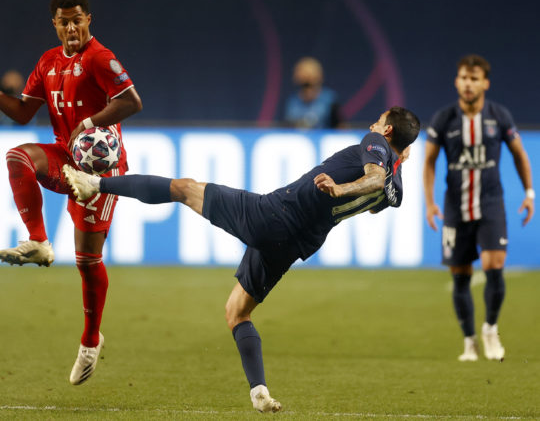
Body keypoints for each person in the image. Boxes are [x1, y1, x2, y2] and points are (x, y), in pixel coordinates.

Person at [62, 106, 420, 412]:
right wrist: (394, 164)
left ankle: (95, 184)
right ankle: (259, 391)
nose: (372, 125)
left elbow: (374, 178)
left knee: (184, 188)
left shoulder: (375, 144)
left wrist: (341, 187)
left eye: (379, 121)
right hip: (295, 243)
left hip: (275, 215)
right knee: (237, 312)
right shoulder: (398, 188)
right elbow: (379, 196)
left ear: (387, 131)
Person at [0, 0, 142, 385]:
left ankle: (90, 341)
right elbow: (24, 113)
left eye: (78, 20)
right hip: (65, 155)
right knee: (17, 156)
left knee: (87, 261)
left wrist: (90, 123)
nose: (72, 27)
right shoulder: (48, 61)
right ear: (55, 25)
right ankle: (39, 241)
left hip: (100, 169)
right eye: (64, 21)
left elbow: (132, 102)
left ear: (88, 20)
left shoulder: (100, 58)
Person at [423, 54, 534, 362]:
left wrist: (529, 193)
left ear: (485, 83)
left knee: (494, 265)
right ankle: (469, 341)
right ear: (456, 82)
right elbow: (429, 161)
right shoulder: (444, 118)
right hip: (455, 206)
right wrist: (430, 202)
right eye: (463, 78)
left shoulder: (499, 116)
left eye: (474, 79)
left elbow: (519, 154)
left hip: (490, 203)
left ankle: (490, 329)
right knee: (460, 275)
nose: (468, 84)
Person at [283, 56, 342, 129]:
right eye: (300, 72)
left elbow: (340, 128)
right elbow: (287, 128)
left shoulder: (329, 100)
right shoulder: (292, 101)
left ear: (319, 76)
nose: (305, 77)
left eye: (308, 73)